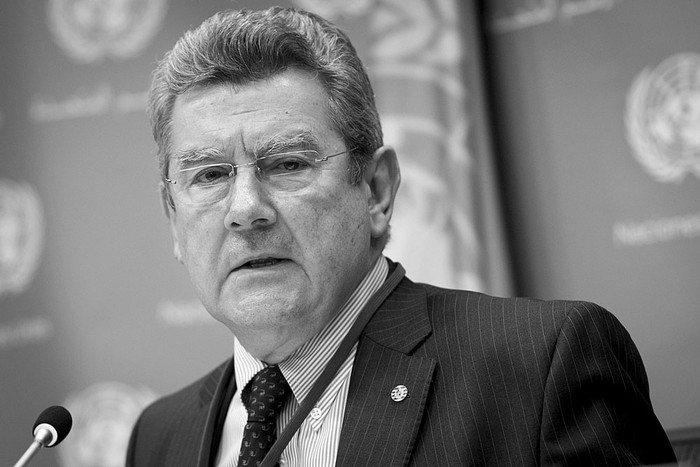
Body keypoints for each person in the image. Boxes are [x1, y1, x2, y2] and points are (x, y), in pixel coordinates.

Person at [126, 7, 676, 467]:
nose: (245, 210)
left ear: (376, 191)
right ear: (173, 217)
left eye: (288, 164)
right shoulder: (160, 436)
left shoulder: (541, 369)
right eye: (210, 175)